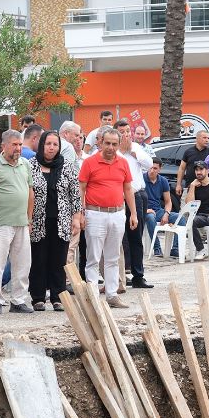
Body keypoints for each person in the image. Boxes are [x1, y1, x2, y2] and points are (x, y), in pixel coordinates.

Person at [79, 127, 137, 309]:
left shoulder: (123, 163)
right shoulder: (89, 162)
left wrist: (133, 213)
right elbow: (81, 188)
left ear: (119, 145)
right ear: (100, 142)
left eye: (114, 144)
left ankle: (112, 295)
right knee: (94, 257)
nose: (110, 147)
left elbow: (128, 189)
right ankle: (93, 296)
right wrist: (80, 213)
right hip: (95, 213)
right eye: (107, 143)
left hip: (118, 213)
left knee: (112, 257)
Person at [28, 131, 81, 311]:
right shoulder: (31, 165)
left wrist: (76, 217)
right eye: (48, 144)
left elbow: (75, 193)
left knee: (59, 259)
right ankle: (38, 297)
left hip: (62, 221)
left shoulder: (66, 166)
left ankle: (58, 297)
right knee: (39, 259)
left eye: (55, 144)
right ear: (42, 145)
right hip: (38, 221)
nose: (51, 147)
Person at [0, 129, 34, 314]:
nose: (18, 148)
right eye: (14, 144)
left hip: (21, 221)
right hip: (0, 221)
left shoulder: (25, 164)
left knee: (22, 263)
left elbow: (30, 192)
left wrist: (29, 218)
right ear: (3, 146)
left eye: (20, 144)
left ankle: (18, 300)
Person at [117, 119, 153, 289]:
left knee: (136, 236)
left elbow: (149, 164)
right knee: (119, 237)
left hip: (137, 195)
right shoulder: (112, 150)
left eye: (127, 132)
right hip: (118, 196)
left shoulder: (136, 147)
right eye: (122, 132)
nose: (125, 135)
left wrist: (132, 152)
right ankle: (121, 274)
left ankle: (138, 275)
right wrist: (121, 152)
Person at [143, 159, 172, 256]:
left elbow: (168, 201)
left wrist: (166, 213)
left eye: (155, 168)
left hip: (158, 210)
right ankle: (157, 248)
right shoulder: (141, 178)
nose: (152, 170)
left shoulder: (163, 181)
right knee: (151, 218)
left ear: (159, 169)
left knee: (180, 219)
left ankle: (175, 249)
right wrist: (145, 210)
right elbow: (134, 199)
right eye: (150, 168)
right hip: (144, 211)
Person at [175, 130, 209, 200]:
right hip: (189, 187)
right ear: (197, 138)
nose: (207, 140)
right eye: (204, 138)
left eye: (208, 138)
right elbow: (182, 168)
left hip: (205, 188)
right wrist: (178, 185)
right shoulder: (188, 152)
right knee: (185, 209)